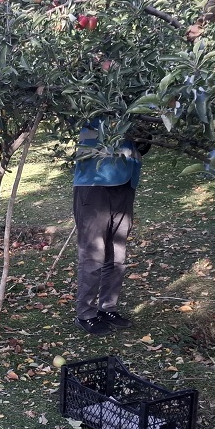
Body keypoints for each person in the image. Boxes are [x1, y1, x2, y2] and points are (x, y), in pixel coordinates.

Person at [72, 121, 146, 335]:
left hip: (126, 183)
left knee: (118, 254)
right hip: (94, 182)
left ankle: (107, 308)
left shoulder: (137, 105)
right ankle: (85, 313)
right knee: (93, 253)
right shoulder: (96, 96)